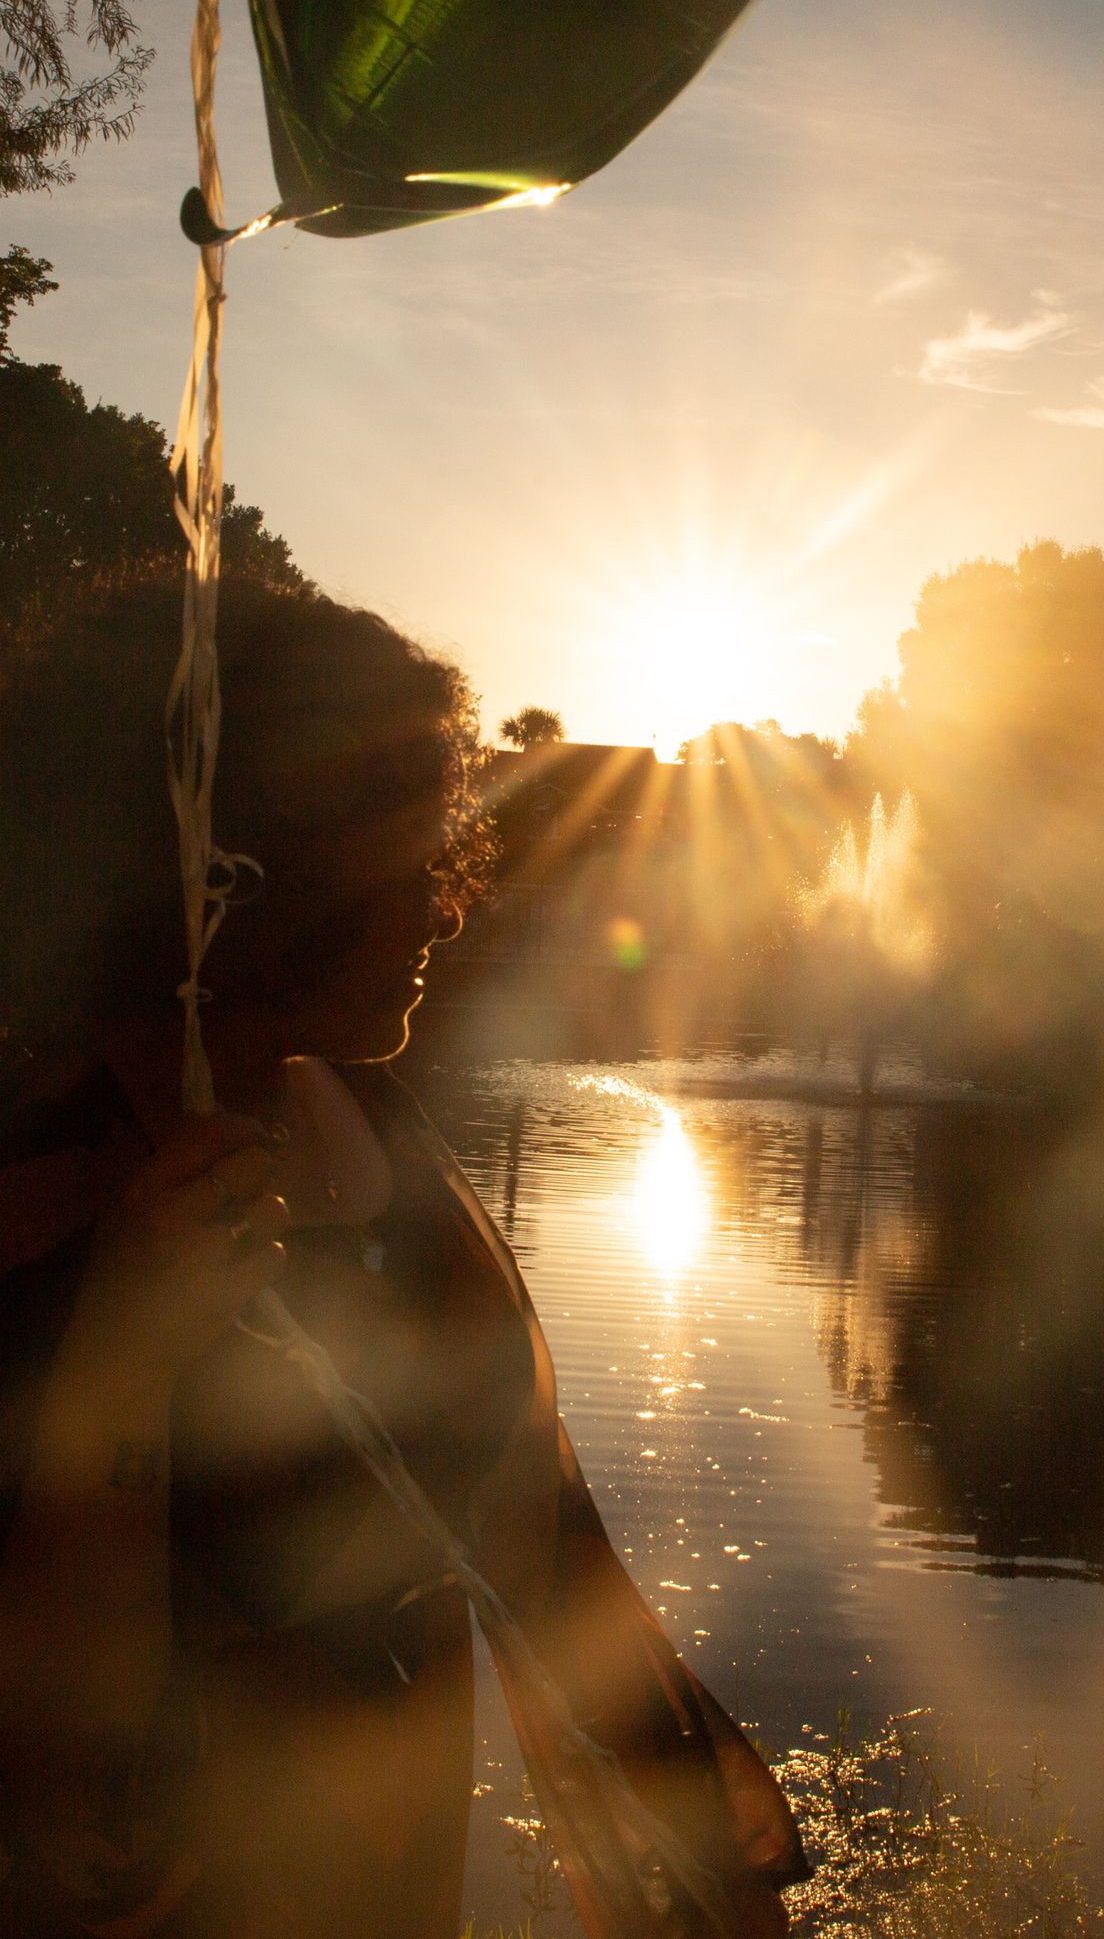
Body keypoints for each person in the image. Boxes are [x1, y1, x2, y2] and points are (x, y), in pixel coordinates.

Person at [0, 571, 806, 1939]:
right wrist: (123, 1357)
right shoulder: (47, 1189)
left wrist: (693, 1842)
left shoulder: (367, 1125)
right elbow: (66, 1774)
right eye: (416, 863)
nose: (450, 910)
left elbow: (541, 1541)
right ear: (273, 870)